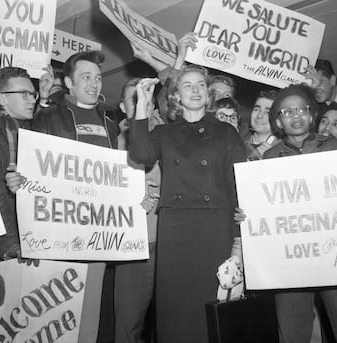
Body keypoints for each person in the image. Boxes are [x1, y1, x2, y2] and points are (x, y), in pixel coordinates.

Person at [128, 64, 247, 343]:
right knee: (175, 301)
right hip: (176, 227)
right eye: (187, 85)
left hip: (214, 224)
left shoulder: (226, 132)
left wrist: (241, 226)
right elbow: (140, 153)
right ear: (176, 96)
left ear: (208, 95)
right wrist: (142, 106)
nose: (195, 90)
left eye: (200, 85)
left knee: (211, 298)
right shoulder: (164, 133)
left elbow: (240, 179)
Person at [262, 84, 337, 343]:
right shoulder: (268, 159)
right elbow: (264, 207)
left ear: (311, 116)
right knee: (292, 333)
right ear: (278, 120)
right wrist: (248, 215)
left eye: (301, 109)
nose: (295, 115)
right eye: (287, 111)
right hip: (292, 259)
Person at [32, 50, 118, 343]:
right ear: (68, 82)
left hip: (100, 230)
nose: (94, 84)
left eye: (98, 78)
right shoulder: (48, 116)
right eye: (86, 77)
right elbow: (36, 166)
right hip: (60, 229)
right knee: (58, 313)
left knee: (93, 308)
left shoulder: (111, 122)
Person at [0, 67, 40, 284]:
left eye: (33, 94)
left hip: (30, 244)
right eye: (24, 94)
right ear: (2, 98)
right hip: (1, 253)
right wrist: (10, 244)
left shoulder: (32, 134)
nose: (31, 99)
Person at [114, 77, 165, 343]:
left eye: (144, 96)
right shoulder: (110, 136)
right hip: (129, 242)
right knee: (128, 323)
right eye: (132, 98)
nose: (139, 101)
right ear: (122, 106)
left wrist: (159, 191)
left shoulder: (168, 134)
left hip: (166, 239)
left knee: (170, 322)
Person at [243, 90, 279, 160]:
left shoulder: (284, 151)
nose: (259, 115)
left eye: (267, 112)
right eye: (256, 109)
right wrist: (254, 157)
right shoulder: (237, 142)